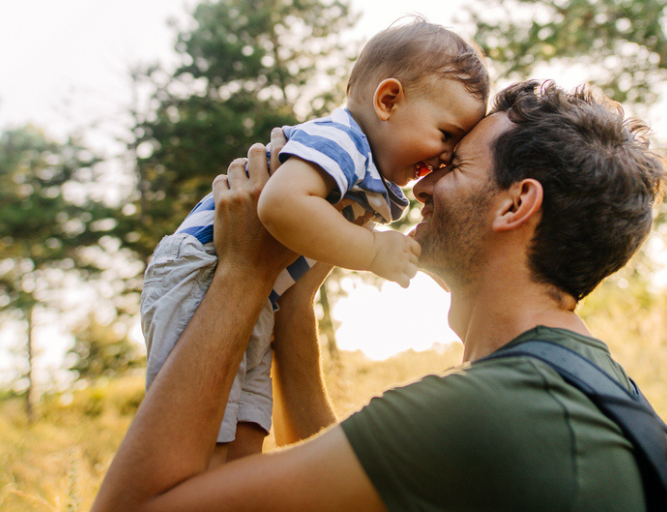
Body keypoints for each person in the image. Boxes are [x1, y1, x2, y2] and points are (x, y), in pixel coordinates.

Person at [93, 79, 667, 512]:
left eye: (451, 164)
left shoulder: (482, 410)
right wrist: (291, 298)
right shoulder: (589, 382)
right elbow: (342, 478)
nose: (420, 183)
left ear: (515, 204)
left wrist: (243, 272)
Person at [139, 17, 489, 462]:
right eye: (446, 135)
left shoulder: (366, 176)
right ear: (388, 100)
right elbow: (280, 204)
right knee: (197, 437)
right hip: (201, 272)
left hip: (257, 294)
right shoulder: (340, 140)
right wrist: (373, 249)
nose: (444, 157)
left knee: (247, 434)